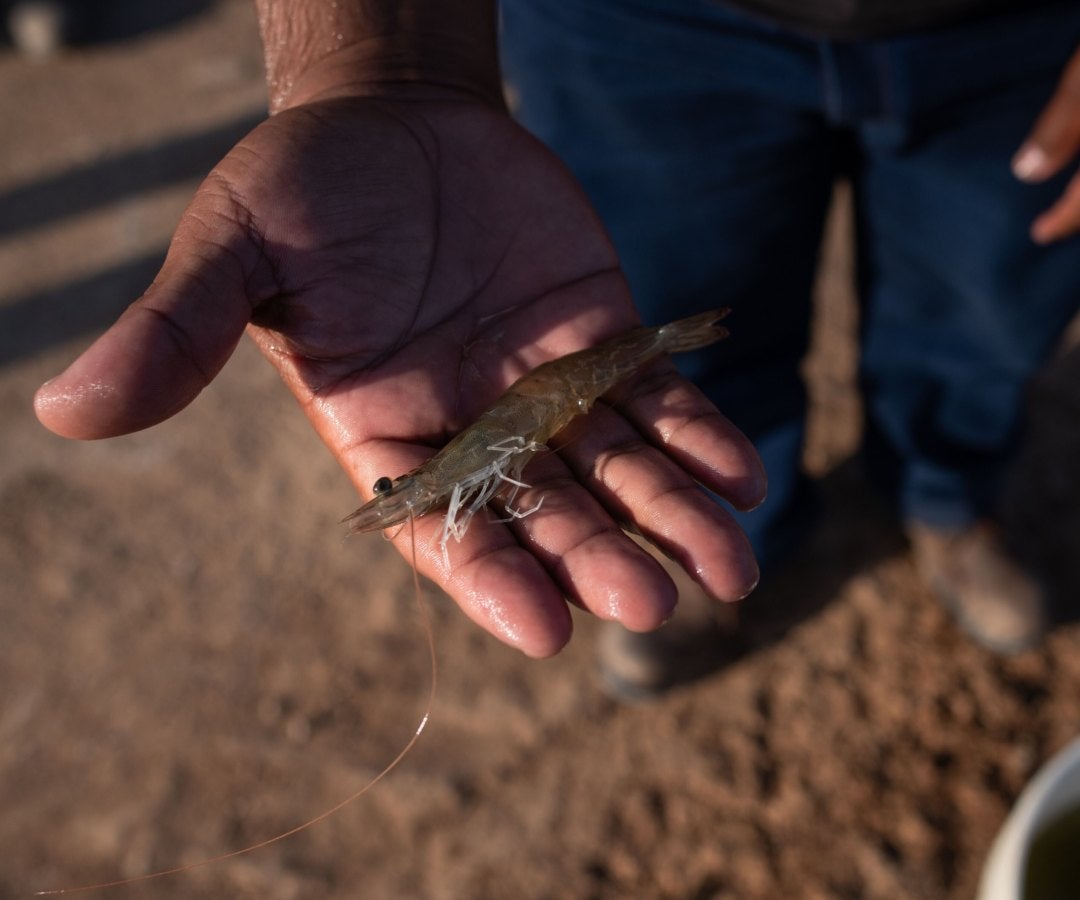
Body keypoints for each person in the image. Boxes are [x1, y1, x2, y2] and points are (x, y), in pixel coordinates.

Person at [34, 1, 1080, 683]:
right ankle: (735, 547)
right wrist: (379, 65)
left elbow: (497, 471)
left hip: (1027, 35)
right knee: (673, 342)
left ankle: (946, 495)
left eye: (407, 497)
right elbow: (494, 470)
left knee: (986, 306)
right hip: (634, 28)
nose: (403, 505)